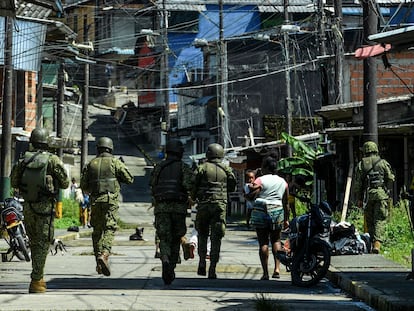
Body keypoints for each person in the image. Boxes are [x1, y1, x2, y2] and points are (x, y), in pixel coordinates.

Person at [10, 127, 70, 293]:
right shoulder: (52, 160)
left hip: (28, 206)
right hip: (45, 208)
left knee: (34, 242)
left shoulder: (23, 160)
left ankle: (37, 277)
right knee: (43, 243)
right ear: (46, 143)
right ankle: (36, 280)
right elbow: (65, 183)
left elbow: (14, 182)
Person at [80, 137, 134, 276]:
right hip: (110, 201)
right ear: (110, 148)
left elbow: (84, 185)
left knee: (97, 232)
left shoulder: (91, 164)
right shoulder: (115, 163)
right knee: (109, 228)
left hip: (95, 201)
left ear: (98, 148)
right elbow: (129, 179)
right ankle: (104, 254)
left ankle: (98, 262)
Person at [150, 139, 193, 285]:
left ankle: (165, 259)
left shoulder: (159, 167)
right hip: (179, 209)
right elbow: (189, 185)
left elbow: (152, 185)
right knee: (176, 238)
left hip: (161, 208)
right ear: (180, 152)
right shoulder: (183, 167)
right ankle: (171, 265)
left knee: (164, 238)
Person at [191, 143, 237, 279]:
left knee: (202, 234)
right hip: (219, 206)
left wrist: (193, 197)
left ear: (208, 154)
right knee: (216, 237)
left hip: (204, 205)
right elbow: (232, 186)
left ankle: (201, 262)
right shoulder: (226, 169)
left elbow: (193, 185)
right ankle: (212, 268)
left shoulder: (201, 168)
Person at [247, 152, 289, 280]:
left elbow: (252, 195)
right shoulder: (283, 182)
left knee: (263, 242)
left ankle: (265, 273)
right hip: (277, 209)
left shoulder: (260, 180)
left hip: (261, 209)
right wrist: (286, 218)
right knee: (276, 240)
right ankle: (277, 269)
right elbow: (286, 202)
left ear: (265, 168)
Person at [354, 141, 395, 254]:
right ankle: (377, 244)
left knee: (370, 220)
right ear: (376, 149)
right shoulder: (383, 163)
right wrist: (386, 189)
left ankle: (372, 243)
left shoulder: (361, 164)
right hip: (381, 195)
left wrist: (359, 199)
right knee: (380, 220)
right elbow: (391, 178)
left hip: (368, 196)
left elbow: (358, 184)